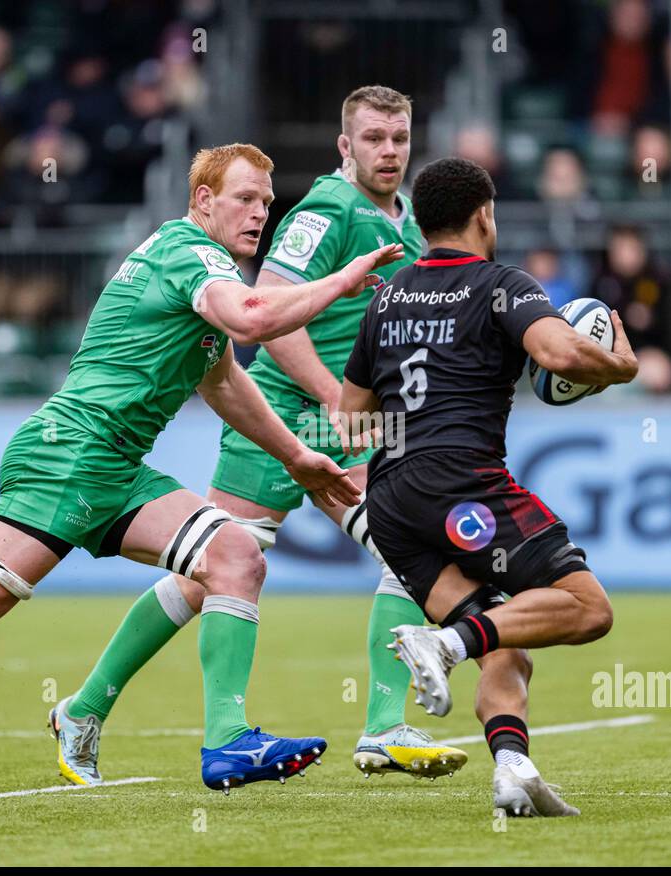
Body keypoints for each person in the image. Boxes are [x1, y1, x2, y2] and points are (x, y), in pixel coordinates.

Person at [0, 143, 402, 805]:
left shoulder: (202, 270)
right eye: (245, 198)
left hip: (112, 465)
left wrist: (294, 454)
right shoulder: (189, 252)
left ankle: (227, 738)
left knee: (235, 555)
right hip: (68, 456)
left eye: (267, 201)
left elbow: (224, 380)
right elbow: (253, 318)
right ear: (204, 201)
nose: (260, 212)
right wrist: (342, 283)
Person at [52, 86, 470, 786]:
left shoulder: (403, 220)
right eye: (373, 138)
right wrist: (336, 397)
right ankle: (88, 707)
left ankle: (382, 728)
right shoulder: (328, 210)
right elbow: (274, 310)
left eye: (399, 137)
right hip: (288, 417)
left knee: (409, 552)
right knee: (208, 578)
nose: (389, 150)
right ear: (346, 146)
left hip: (360, 427)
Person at [338, 157, 638, 817]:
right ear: (484, 215)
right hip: (461, 484)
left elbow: (348, 418)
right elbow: (559, 354)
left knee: (503, 636)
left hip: (391, 500)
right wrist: (618, 367)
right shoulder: (501, 283)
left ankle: (512, 769)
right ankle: (441, 645)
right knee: (588, 608)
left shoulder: (388, 295)